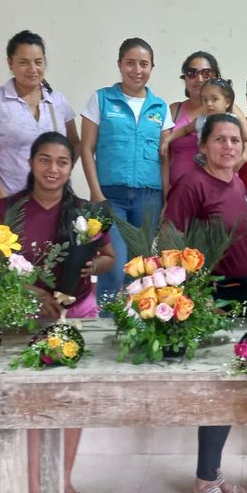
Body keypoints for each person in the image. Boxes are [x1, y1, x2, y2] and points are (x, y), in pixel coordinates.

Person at [0, 132, 115, 493]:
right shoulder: (5, 210)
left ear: (71, 168)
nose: (53, 169)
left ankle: (62, 482)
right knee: (28, 405)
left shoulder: (86, 212)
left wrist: (93, 265)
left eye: (62, 162)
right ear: (31, 162)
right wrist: (31, 292)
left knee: (72, 403)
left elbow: (109, 256)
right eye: (45, 159)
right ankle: (32, 492)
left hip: (76, 314)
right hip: (24, 319)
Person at [163, 114, 247, 493]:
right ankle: (204, 478)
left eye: (234, 139)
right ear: (203, 146)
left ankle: (211, 471)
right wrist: (197, 298)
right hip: (210, 298)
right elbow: (170, 244)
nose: (229, 146)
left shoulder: (237, 183)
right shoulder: (191, 185)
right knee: (219, 389)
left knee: (233, 387)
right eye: (220, 139)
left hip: (240, 293)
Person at [79, 37, 173, 306]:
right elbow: (86, 148)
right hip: (111, 197)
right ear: (120, 64)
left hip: (149, 199)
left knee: (139, 268)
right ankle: (106, 323)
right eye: (130, 63)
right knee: (113, 264)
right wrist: (96, 193)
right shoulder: (101, 99)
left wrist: (167, 200)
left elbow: (166, 159)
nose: (137, 70)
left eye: (144, 64)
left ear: (152, 67)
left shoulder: (160, 107)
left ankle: (136, 323)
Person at [0, 30, 79, 204]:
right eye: (24, 62)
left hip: (54, 201)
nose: (32, 69)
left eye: (38, 62)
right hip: (8, 198)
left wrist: (60, 173)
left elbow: (74, 142)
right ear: (10, 63)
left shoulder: (58, 100)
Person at [162, 51, 247, 187]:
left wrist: (240, 160)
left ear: (216, 77)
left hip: (221, 187)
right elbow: (164, 157)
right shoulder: (174, 110)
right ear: (185, 78)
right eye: (192, 73)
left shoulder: (229, 110)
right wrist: (166, 193)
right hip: (180, 191)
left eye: (206, 73)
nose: (199, 78)